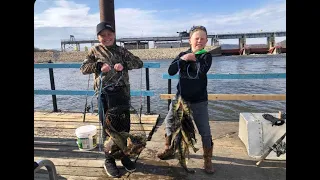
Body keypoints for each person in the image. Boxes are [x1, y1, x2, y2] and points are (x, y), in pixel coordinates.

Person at [80, 21, 143, 178]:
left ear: (114, 35)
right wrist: (98, 65)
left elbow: (139, 63)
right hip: (104, 95)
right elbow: (83, 69)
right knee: (107, 128)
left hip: (122, 93)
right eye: (103, 35)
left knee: (124, 128)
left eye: (109, 34)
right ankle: (109, 160)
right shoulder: (94, 51)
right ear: (98, 37)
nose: (107, 37)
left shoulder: (121, 50)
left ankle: (124, 156)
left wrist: (123, 64)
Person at [157, 25, 215, 174]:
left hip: (199, 101)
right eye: (197, 38)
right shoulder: (182, 54)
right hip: (180, 100)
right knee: (169, 123)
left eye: (203, 38)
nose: (199, 41)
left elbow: (201, 71)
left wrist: (193, 58)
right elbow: (171, 71)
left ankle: (207, 160)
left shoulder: (206, 56)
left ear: (207, 41)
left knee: (205, 131)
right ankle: (168, 149)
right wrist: (183, 59)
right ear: (190, 40)